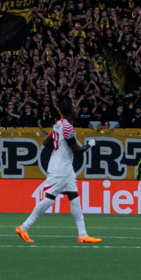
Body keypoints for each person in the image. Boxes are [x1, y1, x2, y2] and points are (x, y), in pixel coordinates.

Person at [17, 101, 98, 245]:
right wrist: (89, 145)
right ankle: (24, 227)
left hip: (66, 168)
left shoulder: (59, 124)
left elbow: (46, 142)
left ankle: (83, 235)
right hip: (60, 169)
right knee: (49, 199)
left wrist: (59, 147)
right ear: (70, 111)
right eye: (74, 108)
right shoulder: (67, 127)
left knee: (74, 198)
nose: (77, 110)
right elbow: (76, 150)